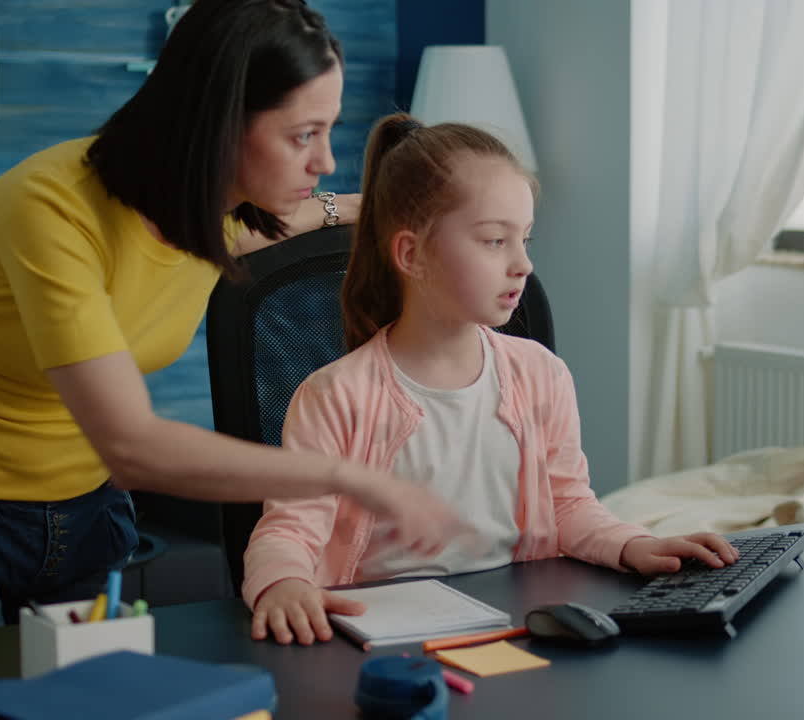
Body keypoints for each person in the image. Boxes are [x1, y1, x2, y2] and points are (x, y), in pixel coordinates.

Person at [0, 0, 462, 632]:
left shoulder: (211, 213)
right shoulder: (49, 212)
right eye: (303, 135)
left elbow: (293, 215)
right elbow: (132, 445)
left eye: (328, 130)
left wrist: (387, 208)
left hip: (84, 513)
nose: (324, 159)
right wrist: (350, 477)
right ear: (218, 123)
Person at [243, 113, 739, 646]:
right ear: (411, 254)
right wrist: (284, 583)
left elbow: (569, 504)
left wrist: (633, 544)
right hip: (385, 643)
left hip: (517, 627)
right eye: (494, 241)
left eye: (524, 239)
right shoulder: (333, 396)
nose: (523, 264)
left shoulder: (540, 375)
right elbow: (290, 529)